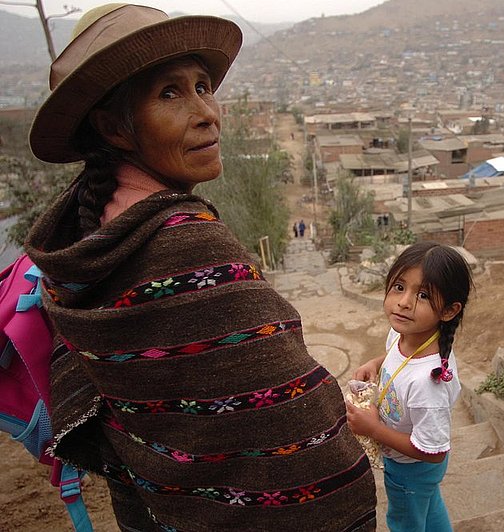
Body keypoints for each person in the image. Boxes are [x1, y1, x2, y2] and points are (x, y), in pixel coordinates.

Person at [24, 5, 376, 531]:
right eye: (170, 93)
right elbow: (290, 421)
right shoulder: (185, 245)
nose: (207, 112)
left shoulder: (85, 232)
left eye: (203, 86)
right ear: (113, 127)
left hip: (159, 508)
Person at [346, 242, 473, 531]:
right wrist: (375, 363)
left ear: (449, 310)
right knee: (430, 508)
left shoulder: (428, 383)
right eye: (399, 287)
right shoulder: (404, 334)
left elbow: (434, 452)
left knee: (405, 523)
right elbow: (396, 355)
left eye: (423, 295)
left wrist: (373, 429)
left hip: (411, 469)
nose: (404, 302)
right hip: (415, 466)